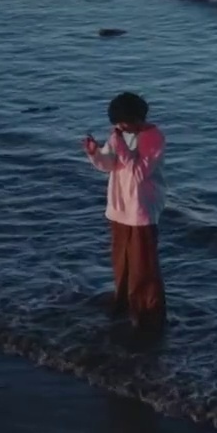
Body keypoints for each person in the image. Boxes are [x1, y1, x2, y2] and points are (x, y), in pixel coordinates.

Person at [82, 91, 166, 334]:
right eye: (117, 124)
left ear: (137, 119)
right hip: (119, 208)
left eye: (123, 124)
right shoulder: (118, 135)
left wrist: (120, 146)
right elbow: (110, 165)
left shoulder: (153, 138)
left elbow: (139, 173)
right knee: (122, 261)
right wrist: (95, 154)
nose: (119, 128)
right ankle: (123, 303)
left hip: (141, 209)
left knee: (143, 266)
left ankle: (148, 313)